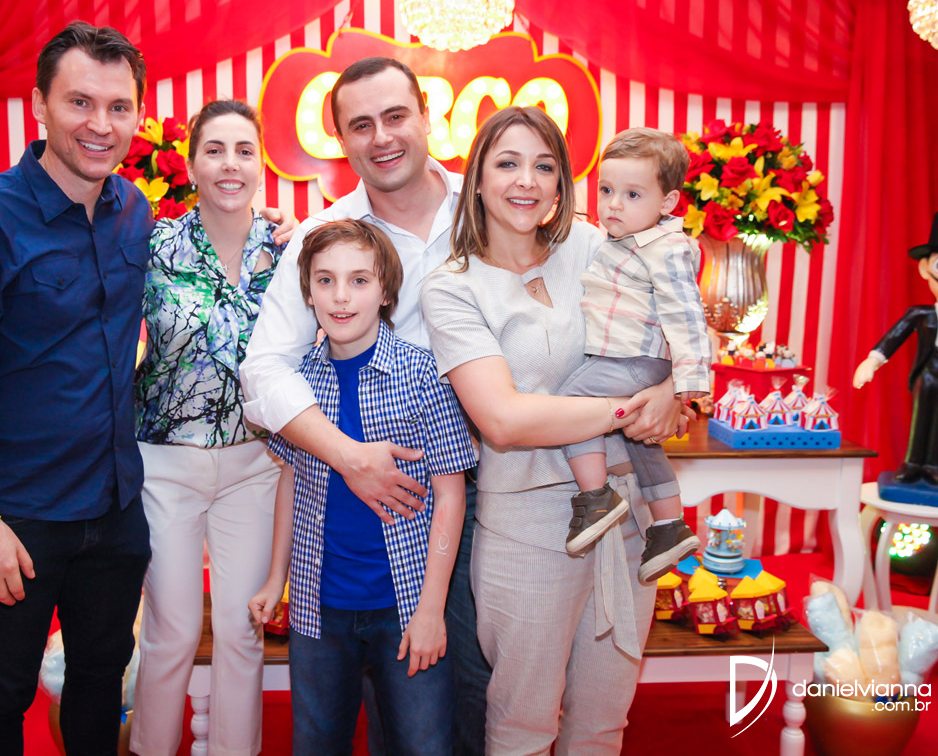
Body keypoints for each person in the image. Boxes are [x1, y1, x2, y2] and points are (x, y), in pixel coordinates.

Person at [239, 56, 682, 755]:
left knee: (484, 695)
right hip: (408, 489)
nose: (382, 136)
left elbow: (649, 309)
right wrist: (350, 457)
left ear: (427, 117)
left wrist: (671, 382)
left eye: (395, 116)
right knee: (410, 696)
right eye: (361, 124)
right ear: (341, 140)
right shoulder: (333, 234)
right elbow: (263, 368)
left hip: (506, 485)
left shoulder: (513, 212)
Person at [0, 22, 152, 756]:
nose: (100, 124)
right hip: (15, 515)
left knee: (101, 681)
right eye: (80, 102)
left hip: (114, 507)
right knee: (1, 691)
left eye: (118, 106)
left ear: (137, 115)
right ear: (40, 105)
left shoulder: (133, 211)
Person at [422, 106, 678, 754]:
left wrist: (672, 386)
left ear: (562, 180)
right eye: (507, 163)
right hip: (529, 531)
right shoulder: (452, 287)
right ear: (478, 179)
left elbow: (670, 322)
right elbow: (503, 420)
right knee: (523, 726)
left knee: (603, 725)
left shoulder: (592, 248)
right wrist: (630, 408)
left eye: (543, 166)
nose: (526, 181)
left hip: (628, 522)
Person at [248, 219, 476, 755]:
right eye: (325, 280)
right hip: (318, 608)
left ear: (386, 291)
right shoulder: (298, 384)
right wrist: (276, 578)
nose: (341, 296)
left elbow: (451, 494)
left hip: (404, 605)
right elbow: (291, 481)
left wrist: (431, 610)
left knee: (423, 743)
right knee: (317, 741)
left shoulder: (423, 375)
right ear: (308, 293)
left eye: (359, 280)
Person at [129, 99, 284, 756]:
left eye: (244, 150)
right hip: (165, 464)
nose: (230, 164)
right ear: (192, 165)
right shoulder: (151, 246)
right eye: (215, 150)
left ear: (261, 164)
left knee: (244, 632)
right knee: (172, 631)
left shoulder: (287, 249)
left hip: (255, 465)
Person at [559, 128, 709, 583]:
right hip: (632, 360)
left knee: (571, 405)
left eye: (632, 194)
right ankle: (669, 525)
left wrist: (688, 385)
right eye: (606, 190)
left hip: (632, 359)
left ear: (668, 202)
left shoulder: (666, 248)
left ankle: (596, 497)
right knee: (642, 441)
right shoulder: (622, 241)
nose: (614, 205)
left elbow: (687, 314)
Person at [853, 210, 938, 491]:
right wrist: (872, 360)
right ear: (925, 269)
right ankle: (913, 463)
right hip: (925, 374)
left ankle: (934, 466)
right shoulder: (919, 314)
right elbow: (894, 337)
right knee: (920, 419)